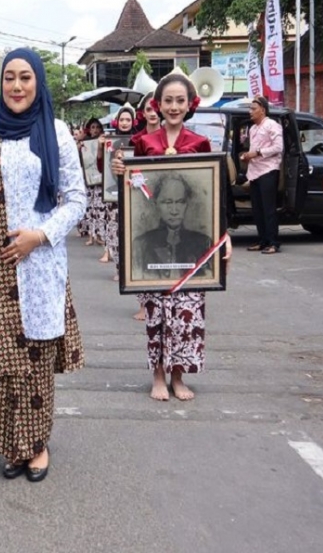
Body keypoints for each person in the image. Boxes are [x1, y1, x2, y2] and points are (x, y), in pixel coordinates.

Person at [0, 49, 86, 482]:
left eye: (25, 77)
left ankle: (36, 444)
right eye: (9, 78)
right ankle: (10, 446)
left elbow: (77, 199)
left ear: (38, 82)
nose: (16, 86)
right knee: (2, 359)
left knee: (36, 359)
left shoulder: (56, 132)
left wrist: (39, 235)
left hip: (40, 262)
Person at [114, 70, 232, 401]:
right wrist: (119, 170)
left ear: (190, 103)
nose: (174, 106)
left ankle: (178, 376)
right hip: (153, 243)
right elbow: (134, 189)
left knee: (187, 314)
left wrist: (223, 235)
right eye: (168, 100)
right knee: (156, 313)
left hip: (192, 250)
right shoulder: (143, 143)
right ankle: (157, 375)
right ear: (158, 104)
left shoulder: (200, 143)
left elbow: (215, 194)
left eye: (180, 100)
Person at [132, 173, 213, 279]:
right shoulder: (141, 245)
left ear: (187, 204)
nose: (174, 211)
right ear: (156, 204)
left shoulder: (203, 243)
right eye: (167, 202)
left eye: (180, 202)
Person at [240, 96, 284, 254]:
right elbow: (253, 150)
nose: (250, 112)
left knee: (268, 208)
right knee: (257, 209)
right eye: (250, 109)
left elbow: (278, 147)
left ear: (263, 110)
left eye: (253, 109)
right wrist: (247, 156)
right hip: (254, 172)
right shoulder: (252, 129)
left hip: (268, 170)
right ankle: (263, 240)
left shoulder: (272, 125)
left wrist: (258, 152)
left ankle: (273, 242)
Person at [130, 92, 159, 322]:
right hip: (140, 201)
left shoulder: (173, 138)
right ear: (143, 113)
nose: (153, 113)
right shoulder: (136, 141)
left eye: (155, 108)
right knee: (143, 252)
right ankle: (144, 304)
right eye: (149, 109)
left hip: (166, 203)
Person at [98, 105, 135, 274]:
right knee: (115, 233)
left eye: (128, 119)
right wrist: (100, 148)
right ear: (117, 121)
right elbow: (101, 168)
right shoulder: (110, 142)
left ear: (133, 121)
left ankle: (130, 269)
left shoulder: (139, 140)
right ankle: (120, 268)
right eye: (122, 119)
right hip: (113, 197)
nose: (125, 123)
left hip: (134, 193)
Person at [76, 118, 105, 247]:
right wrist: (79, 148)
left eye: (97, 127)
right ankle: (91, 235)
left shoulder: (104, 141)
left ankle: (99, 235)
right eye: (93, 127)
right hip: (88, 180)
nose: (95, 130)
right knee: (90, 208)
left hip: (101, 181)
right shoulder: (85, 143)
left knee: (100, 209)